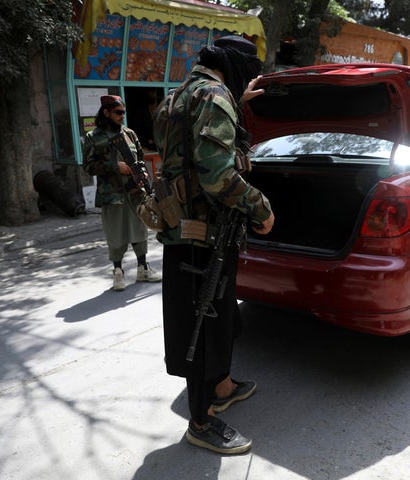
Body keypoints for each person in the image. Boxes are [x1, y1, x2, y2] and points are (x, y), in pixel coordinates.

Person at [152, 35, 274, 454]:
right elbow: (217, 175)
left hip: (184, 229)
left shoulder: (179, 94)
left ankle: (221, 386)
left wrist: (237, 104)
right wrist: (261, 208)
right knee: (202, 326)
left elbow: (189, 150)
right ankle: (202, 421)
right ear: (234, 66)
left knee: (211, 318)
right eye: (248, 71)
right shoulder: (216, 95)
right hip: (205, 235)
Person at [82, 95, 162, 291]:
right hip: (113, 194)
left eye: (123, 112)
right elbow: (88, 166)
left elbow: (140, 158)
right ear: (106, 112)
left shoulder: (130, 134)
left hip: (135, 191)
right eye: (117, 112)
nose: (121, 116)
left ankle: (143, 268)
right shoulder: (94, 137)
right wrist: (114, 166)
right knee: (116, 233)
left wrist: (143, 173)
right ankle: (118, 272)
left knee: (140, 230)